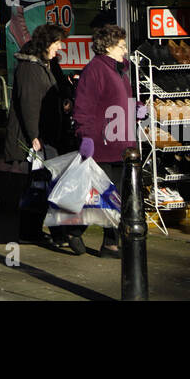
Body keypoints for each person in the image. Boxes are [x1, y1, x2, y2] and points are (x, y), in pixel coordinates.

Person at [72, 23, 142, 258]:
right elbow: (84, 107)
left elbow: (120, 102)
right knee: (104, 198)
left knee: (114, 198)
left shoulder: (119, 70)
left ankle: (109, 243)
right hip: (102, 144)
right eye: (122, 45)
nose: (125, 50)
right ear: (109, 46)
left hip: (121, 144)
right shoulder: (95, 70)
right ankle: (74, 229)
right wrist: (85, 136)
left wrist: (137, 109)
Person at [5, 22, 71, 245]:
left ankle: (37, 231)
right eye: (57, 43)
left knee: (43, 184)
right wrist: (34, 136)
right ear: (46, 43)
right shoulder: (31, 68)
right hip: (39, 136)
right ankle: (31, 231)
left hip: (49, 133)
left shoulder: (48, 64)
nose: (59, 47)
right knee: (38, 185)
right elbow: (29, 104)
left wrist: (67, 99)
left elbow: (60, 88)